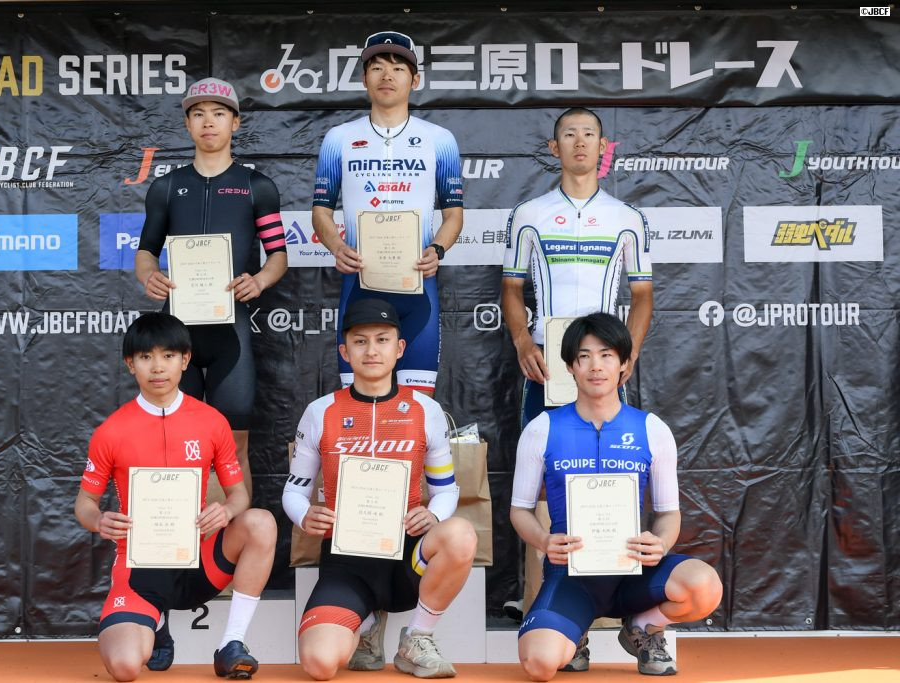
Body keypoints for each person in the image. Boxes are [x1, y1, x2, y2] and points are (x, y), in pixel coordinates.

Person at [509, 313, 722, 678]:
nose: (596, 366)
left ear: (624, 363)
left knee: (705, 586)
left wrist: (660, 542)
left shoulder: (651, 429)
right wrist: (544, 540)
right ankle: (575, 634)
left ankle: (643, 626)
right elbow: (520, 510)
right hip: (571, 575)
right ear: (570, 367)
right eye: (584, 356)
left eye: (606, 355)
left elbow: (669, 513)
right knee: (539, 664)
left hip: (634, 572)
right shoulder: (542, 429)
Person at [74, 312, 277, 681]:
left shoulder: (211, 421)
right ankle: (156, 622)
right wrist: (99, 520)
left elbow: (239, 496)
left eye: (168, 356)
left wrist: (226, 511)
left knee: (260, 522)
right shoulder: (111, 431)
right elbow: (84, 504)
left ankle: (231, 643)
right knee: (123, 667)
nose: (157, 367)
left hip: (198, 560)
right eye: (145, 357)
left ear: (185, 360)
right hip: (140, 566)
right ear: (130, 364)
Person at [283, 298, 477, 680]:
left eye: (382, 340)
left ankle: (416, 637)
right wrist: (305, 515)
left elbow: (446, 490)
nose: (371, 350)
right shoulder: (320, 411)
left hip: (409, 559)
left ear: (399, 348)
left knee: (461, 534)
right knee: (319, 663)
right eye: (360, 341)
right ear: (345, 351)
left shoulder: (426, 410)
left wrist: (434, 514)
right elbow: (293, 491)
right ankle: (368, 625)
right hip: (347, 562)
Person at [136, 76, 288, 498]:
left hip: (230, 333)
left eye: (219, 114)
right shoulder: (166, 187)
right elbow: (146, 252)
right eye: (198, 114)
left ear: (234, 123)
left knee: (233, 448)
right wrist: (148, 275)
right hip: (176, 332)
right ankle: (176, 535)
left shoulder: (258, 187)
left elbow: (278, 255)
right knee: (171, 444)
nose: (208, 122)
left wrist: (259, 280)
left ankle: (233, 537)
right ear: (187, 124)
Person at [312, 30, 463, 394]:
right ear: (365, 79)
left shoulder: (440, 139)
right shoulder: (339, 138)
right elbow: (320, 211)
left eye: (398, 68)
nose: (387, 75)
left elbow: (454, 215)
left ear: (415, 79)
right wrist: (337, 247)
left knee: (417, 406)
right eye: (377, 67)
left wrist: (437, 250)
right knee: (357, 403)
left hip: (418, 286)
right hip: (359, 284)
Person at [501, 106, 653, 428]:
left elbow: (643, 294)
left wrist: (631, 351)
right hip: (546, 356)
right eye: (569, 135)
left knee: (605, 451)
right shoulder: (528, 214)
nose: (579, 142)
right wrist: (522, 342)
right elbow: (511, 286)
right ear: (555, 147)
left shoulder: (628, 217)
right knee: (542, 450)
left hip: (605, 354)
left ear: (603, 145)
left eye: (588, 134)